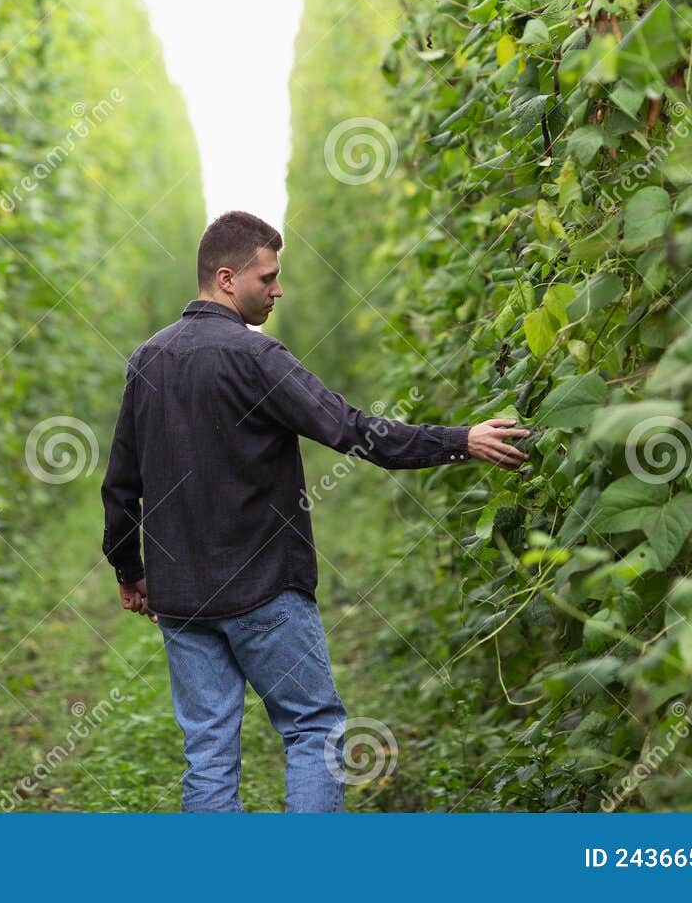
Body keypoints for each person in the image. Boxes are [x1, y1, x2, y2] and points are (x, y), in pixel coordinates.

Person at [99, 210, 529, 812]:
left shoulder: (148, 360)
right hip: (264, 589)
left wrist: (131, 571)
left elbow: (121, 483)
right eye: (267, 279)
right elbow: (353, 431)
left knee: (208, 752)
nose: (278, 291)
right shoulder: (257, 358)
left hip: (182, 596)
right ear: (226, 279)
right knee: (312, 731)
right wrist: (460, 440)